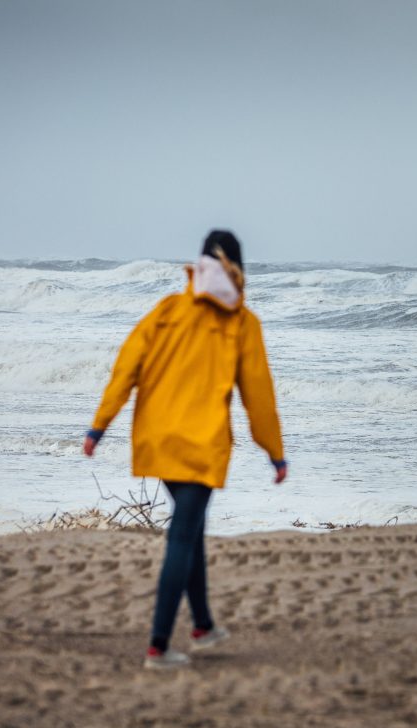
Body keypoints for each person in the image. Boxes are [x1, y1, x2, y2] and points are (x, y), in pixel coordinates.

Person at [84, 229, 286, 670]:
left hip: (158, 439)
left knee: (191, 528)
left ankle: (203, 625)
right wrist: (275, 452)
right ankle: (158, 645)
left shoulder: (168, 309)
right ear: (238, 268)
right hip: (200, 445)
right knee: (182, 534)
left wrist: (99, 426)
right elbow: (259, 395)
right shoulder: (242, 322)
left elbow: (127, 366)